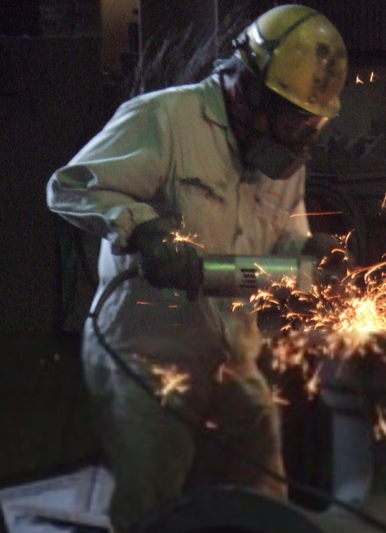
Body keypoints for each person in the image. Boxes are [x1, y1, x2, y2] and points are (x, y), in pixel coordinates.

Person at [45, 5, 348, 532]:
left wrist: (310, 256)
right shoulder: (165, 119)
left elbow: (285, 240)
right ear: (249, 90)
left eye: (309, 124)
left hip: (232, 360)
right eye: (291, 119)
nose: (299, 136)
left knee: (261, 508)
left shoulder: (279, 156)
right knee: (153, 512)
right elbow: (69, 186)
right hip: (148, 360)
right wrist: (144, 229)